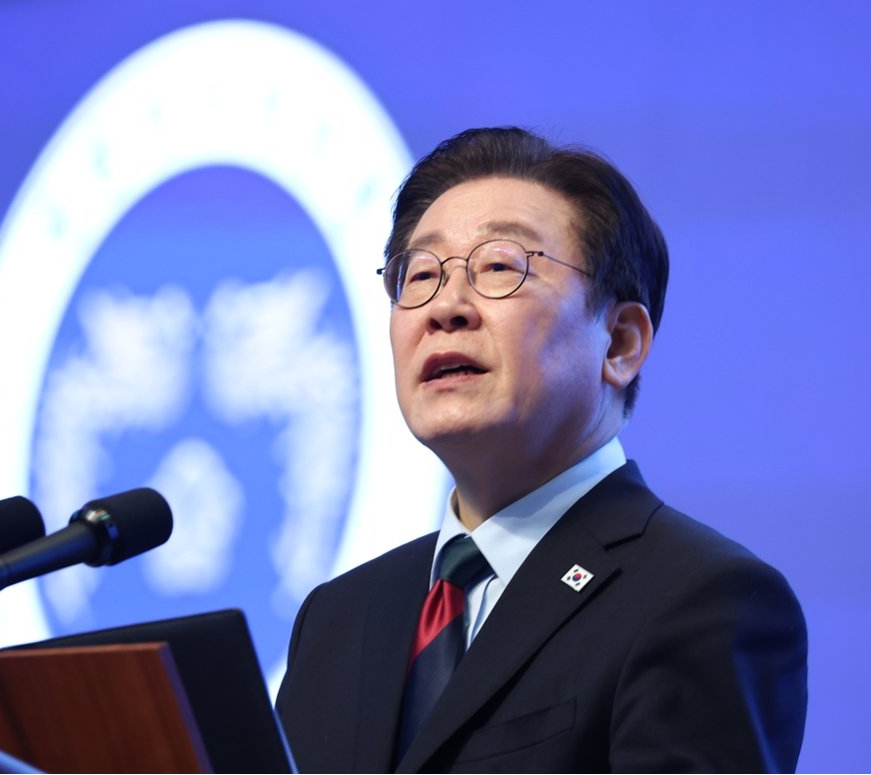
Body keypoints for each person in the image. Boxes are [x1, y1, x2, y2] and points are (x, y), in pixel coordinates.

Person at [275, 127, 807, 773]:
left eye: (499, 267)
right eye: (420, 275)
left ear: (620, 342)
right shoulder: (339, 617)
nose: (445, 307)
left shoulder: (702, 597)